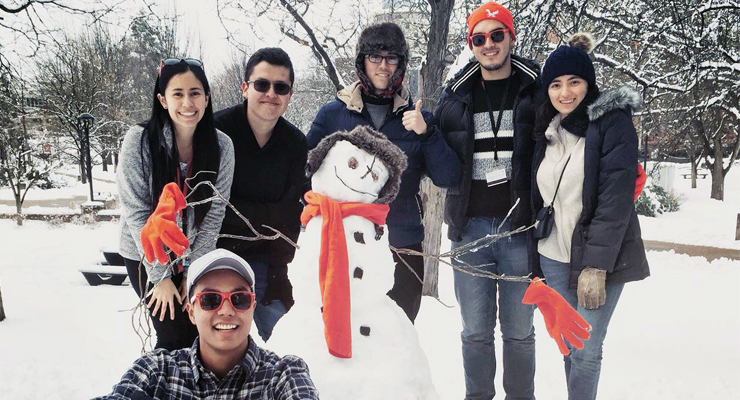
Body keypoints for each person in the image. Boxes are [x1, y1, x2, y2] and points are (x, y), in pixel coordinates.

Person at [306, 22, 461, 323]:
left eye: (392, 58)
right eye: (375, 57)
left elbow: (448, 177)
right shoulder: (333, 114)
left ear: (401, 64)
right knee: (342, 336)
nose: (383, 66)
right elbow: (305, 172)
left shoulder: (418, 119)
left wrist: (427, 133)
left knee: (396, 338)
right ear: (362, 61)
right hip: (344, 244)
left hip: (402, 245)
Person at [531, 32, 650, 400]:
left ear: (589, 83)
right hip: (554, 257)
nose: (565, 93)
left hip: (599, 259)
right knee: (568, 345)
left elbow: (616, 201)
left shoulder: (611, 125)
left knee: (586, 350)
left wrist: (596, 266)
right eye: (555, 84)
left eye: (574, 82)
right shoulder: (549, 131)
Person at [434, 2, 543, 399]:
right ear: (471, 44)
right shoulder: (456, 96)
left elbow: (575, 117)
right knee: (476, 332)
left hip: (519, 230)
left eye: (497, 35)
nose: (489, 44)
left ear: (511, 37)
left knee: (519, 332)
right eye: (480, 38)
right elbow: (433, 148)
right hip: (470, 231)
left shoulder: (537, 89)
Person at [118, 58, 235, 351]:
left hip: (192, 250)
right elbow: (136, 212)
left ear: (207, 98)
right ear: (162, 99)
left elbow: (215, 213)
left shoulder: (222, 147)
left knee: (198, 332)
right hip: (146, 253)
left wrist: (193, 273)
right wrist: (161, 277)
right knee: (171, 334)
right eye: (178, 93)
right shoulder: (140, 141)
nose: (187, 102)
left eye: (195, 93)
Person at [97, 248, 319, 399]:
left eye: (239, 298)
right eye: (210, 299)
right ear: (191, 312)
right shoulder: (156, 371)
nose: (226, 310)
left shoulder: (283, 374)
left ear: (252, 307)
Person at [214, 48, 307, 342]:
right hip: (218, 257)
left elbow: (291, 215)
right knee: (220, 346)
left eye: (281, 87)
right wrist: (268, 215)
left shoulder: (295, 143)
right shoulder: (217, 132)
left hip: (269, 263)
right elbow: (213, 208)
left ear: (290, 95)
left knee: (287, 343)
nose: (271, 93)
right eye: (262, 84)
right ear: (245, 88)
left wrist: (279, 270)